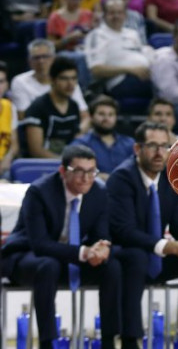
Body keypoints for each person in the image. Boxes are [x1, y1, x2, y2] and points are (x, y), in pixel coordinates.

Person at [106, 122, 178, 349]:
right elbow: (123, 232)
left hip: (157, 256)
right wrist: (170, 247)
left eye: (165, 146)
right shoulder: (121, 178)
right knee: (136, 257)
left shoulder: (170, 178)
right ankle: (129, 340)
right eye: (153, 146)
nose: (159, 152)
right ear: (137, 149)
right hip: (125, 256)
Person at [1, 145, 120, 349]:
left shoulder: (98, 192)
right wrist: (84, 252)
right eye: (79, 171)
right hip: (27, 256)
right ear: (63, 171)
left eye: (91, 171)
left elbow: (101, 233)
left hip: (68, 258)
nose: (86, 178)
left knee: (112, 266)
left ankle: (109, 340)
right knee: (48, 265)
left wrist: (102, 247)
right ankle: (48, 342)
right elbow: (39, 244)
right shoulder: (39, 191)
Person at [24, 56, 86, 158]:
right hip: (40, 166)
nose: (70, 84)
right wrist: (65, 163)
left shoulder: (74, 106)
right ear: (52, 80)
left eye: (73, 78)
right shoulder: (37, 107)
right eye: (64, 78)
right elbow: (36, 151)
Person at [9, 39, 88, 118]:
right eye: (36, 57)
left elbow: (84, 114)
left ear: (54, 58)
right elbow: (24, 116)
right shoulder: (20, 81)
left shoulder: (66, 79)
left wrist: (77, 130)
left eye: (45, 56)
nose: (41, 61)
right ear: (29, 61)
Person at [71, 96, 135, 180]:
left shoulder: (129, 143)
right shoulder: (81, 144)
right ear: (91, 117)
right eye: (101, 114)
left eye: (111, 114)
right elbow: (74, 171)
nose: (106, 118)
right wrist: (99, 177)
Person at [0, 62, 19, 177]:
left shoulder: (10, 107)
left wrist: (7, 160)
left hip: (3, 166)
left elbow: (14, 145)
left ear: (7, 85)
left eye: (1, 82)